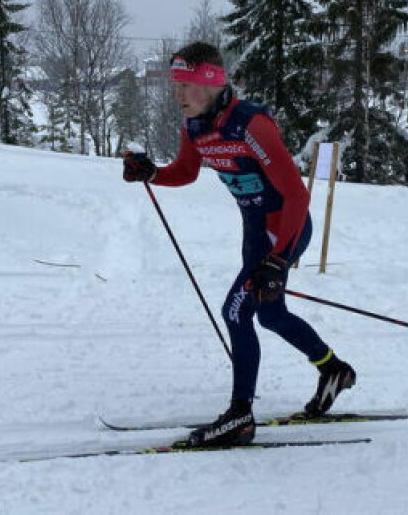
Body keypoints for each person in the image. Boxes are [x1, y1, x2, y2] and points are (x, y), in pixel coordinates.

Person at [121, 42, 356, 447]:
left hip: (285, 228)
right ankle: (332, 369)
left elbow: (297, 196)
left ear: (211, 85)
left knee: (236, 311)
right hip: (254, 231)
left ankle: (240, 416)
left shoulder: (251, 126)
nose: (177, 96)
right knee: (269, 314)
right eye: (175, 86)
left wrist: (279, 259)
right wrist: (152, 174)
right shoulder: (194, 126)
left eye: (185, 86)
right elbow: (185, 172)